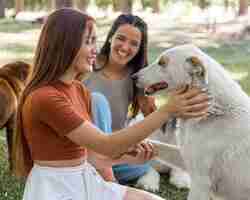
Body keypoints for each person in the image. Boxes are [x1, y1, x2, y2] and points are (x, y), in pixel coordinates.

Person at [12, 8, 209, 200]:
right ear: (65, 45)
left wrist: (126, 158)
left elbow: (90, 156)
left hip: (85, 178)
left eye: (94, 41)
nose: (95, 49)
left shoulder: (78, 90)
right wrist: (169, 109)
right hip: (56, 188)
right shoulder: (45, 98)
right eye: (88, 42)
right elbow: (106, 145)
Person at [84, 14, 159, 184]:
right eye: (121, 38)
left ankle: (96, 173)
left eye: (134, 43)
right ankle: (106, 178)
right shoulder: (88, 63)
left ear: (140, 48)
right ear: (111, 37)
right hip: (82, 145)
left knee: (144, 163)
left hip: (112, 152)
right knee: (97, 100)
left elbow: (153, 119)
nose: (125, 47)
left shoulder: (137, 79)